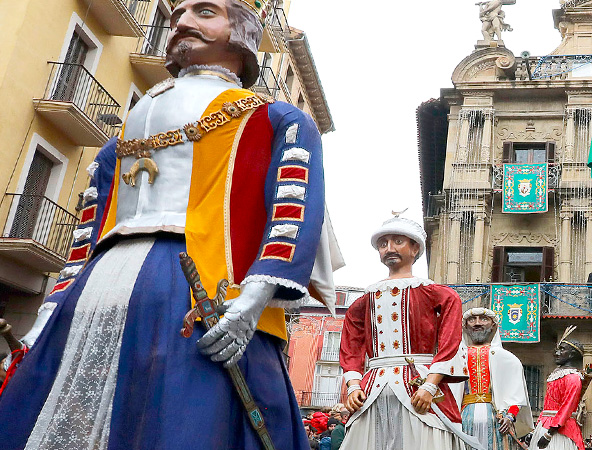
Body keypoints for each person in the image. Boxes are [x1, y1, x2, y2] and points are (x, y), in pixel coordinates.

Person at [0, 1, 339, 448]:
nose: (180, 22)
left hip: (203, 287)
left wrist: (253, 300)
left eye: (203, 12)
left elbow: (293, 213)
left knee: (189, 420)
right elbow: (89, 230)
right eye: (178, 13)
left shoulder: (277, 121)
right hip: (99, 287)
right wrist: (50, 311)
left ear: (242, 31)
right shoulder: (120, 139)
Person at [339, 215, 468, 449]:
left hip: (419, 386)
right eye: (383, 244)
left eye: (398, 241)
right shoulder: (362, 301)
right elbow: (351, 345)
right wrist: (354, 384)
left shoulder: (437, 294)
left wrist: (431, 384)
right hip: (372, 389)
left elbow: (450, 341)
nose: (389, 248)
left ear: (415, 248)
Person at [455, 307, 535, 449]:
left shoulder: (508, 358)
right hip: (463, 419)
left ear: (493, 326)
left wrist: (510, 417)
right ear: (465, 326)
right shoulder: (455, 358)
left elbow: (516, 395)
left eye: (484, 319)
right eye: (472, 319)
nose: (477, 323)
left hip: (496, 420)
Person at [531, 327, 591, 450]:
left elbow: (566, 409)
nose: (556, 353)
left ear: (572, 354)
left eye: (562, 349)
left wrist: (549, 434)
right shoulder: (556, 375)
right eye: (557, 349)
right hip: (544, 426)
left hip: (559, 431)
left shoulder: (573, 378)